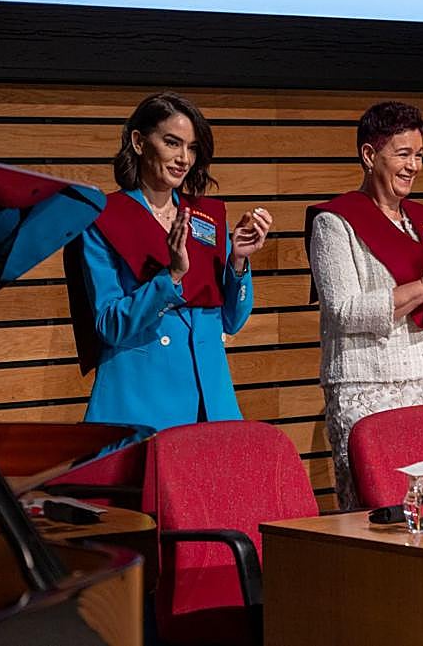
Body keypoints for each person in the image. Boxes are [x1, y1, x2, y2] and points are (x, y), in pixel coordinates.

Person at [306, 101, 423, 509]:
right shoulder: (335, 223)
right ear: (370, 155)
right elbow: (344, 311)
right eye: (403, 154)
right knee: (379, 512)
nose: (413, 166)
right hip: (369, 388)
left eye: (419, 155)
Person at [65, 92, 272, 431]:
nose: (184, 158)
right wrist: (171, 277)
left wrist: (238, 261)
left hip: (212, 400)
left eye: (192, 148)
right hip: (142, 399)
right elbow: (108, 325)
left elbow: (231, 321)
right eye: (172, 143)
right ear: (139, 142)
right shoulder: (104, 219)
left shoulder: (206, 216)